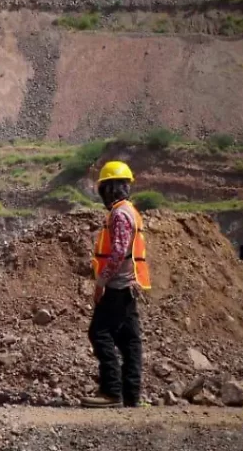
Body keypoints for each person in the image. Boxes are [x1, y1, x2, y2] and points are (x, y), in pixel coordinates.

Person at [82, 161, 151, 408]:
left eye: (104, 188)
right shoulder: (130, 211)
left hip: (117, 286)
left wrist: (102, 281)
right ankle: (131, 395)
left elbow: (119, 251)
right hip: (129, 284)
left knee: (99, 333)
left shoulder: (120, 214)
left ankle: (111, 392)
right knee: (129, 340)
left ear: (109, 189)